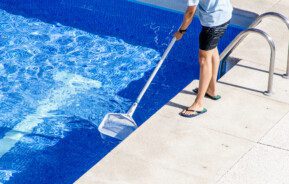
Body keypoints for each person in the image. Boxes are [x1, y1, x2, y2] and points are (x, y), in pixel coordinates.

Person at [175, 0, 233, 118]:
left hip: (213, 22)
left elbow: (190, 12)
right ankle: (212, 89)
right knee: (212, 50)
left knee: (203, 60)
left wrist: (181, 31)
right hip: (224, 14)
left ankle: (199, 103)